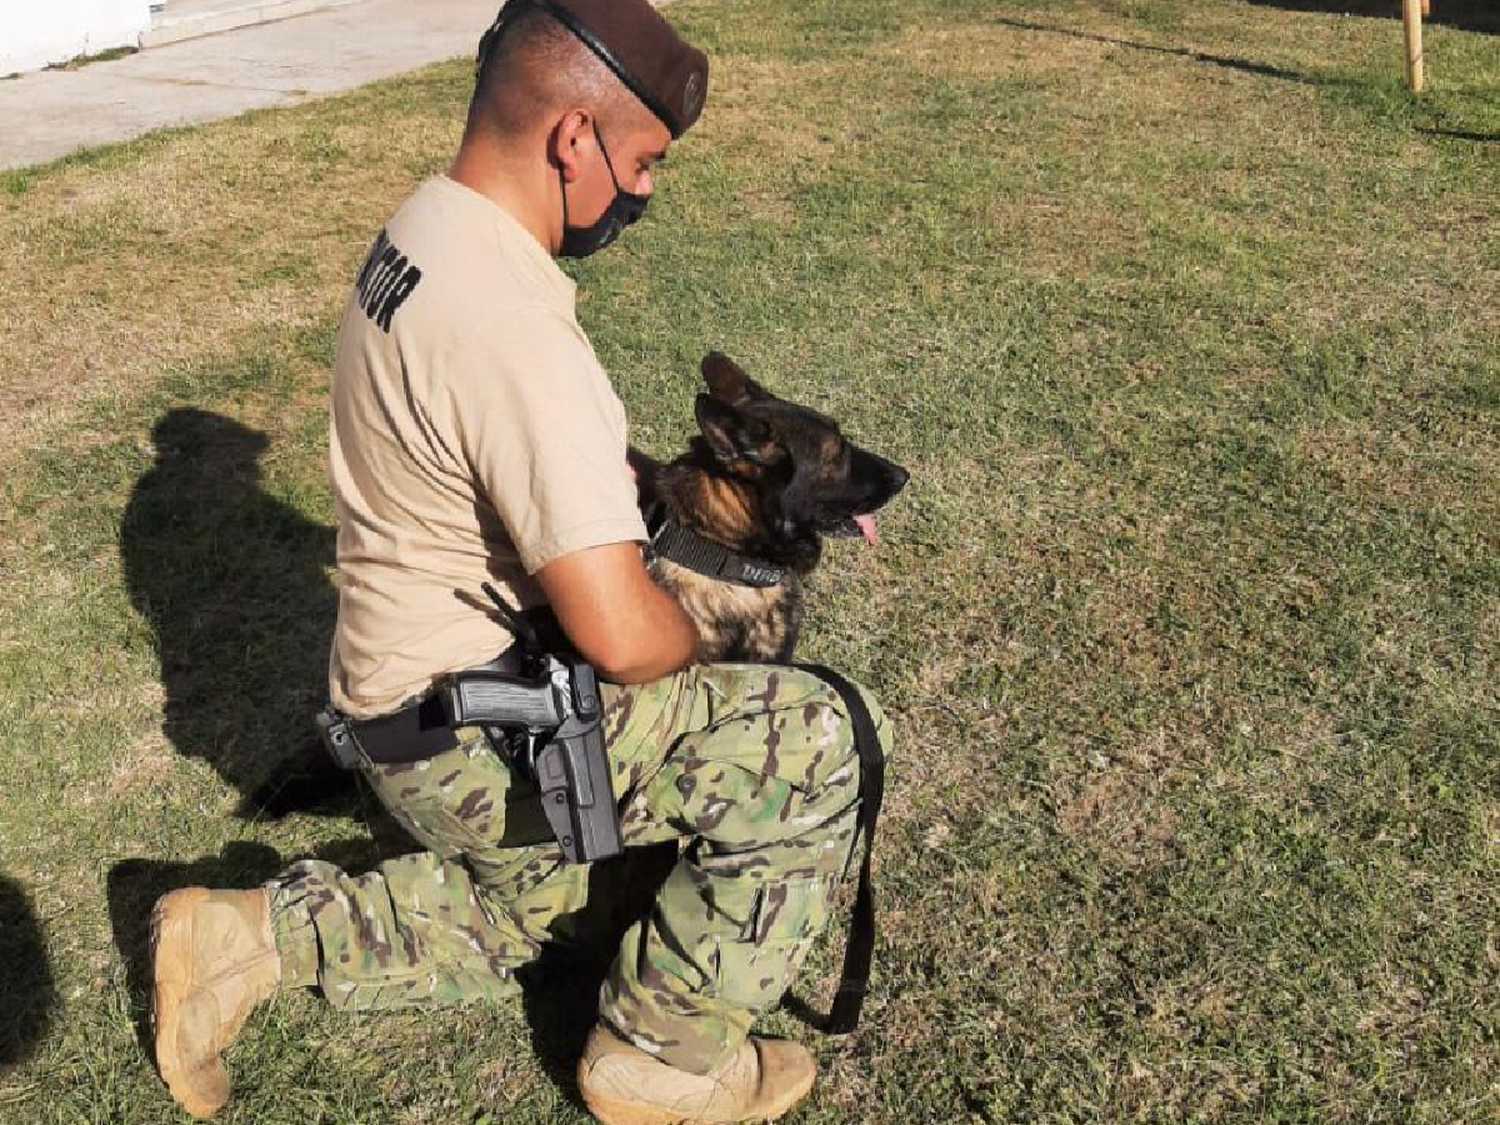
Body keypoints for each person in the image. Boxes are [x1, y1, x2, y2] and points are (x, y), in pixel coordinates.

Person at [148, 2, 890, 1122]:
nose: (643, 192)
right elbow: (625, 640)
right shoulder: (516, 331)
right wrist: (711, 643)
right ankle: (660, 1066)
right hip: (467, 728)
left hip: (394, 704)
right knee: (818, 738)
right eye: (641, 163)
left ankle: (236, 939)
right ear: (573, 139)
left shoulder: (423, 228)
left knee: (543, 912)